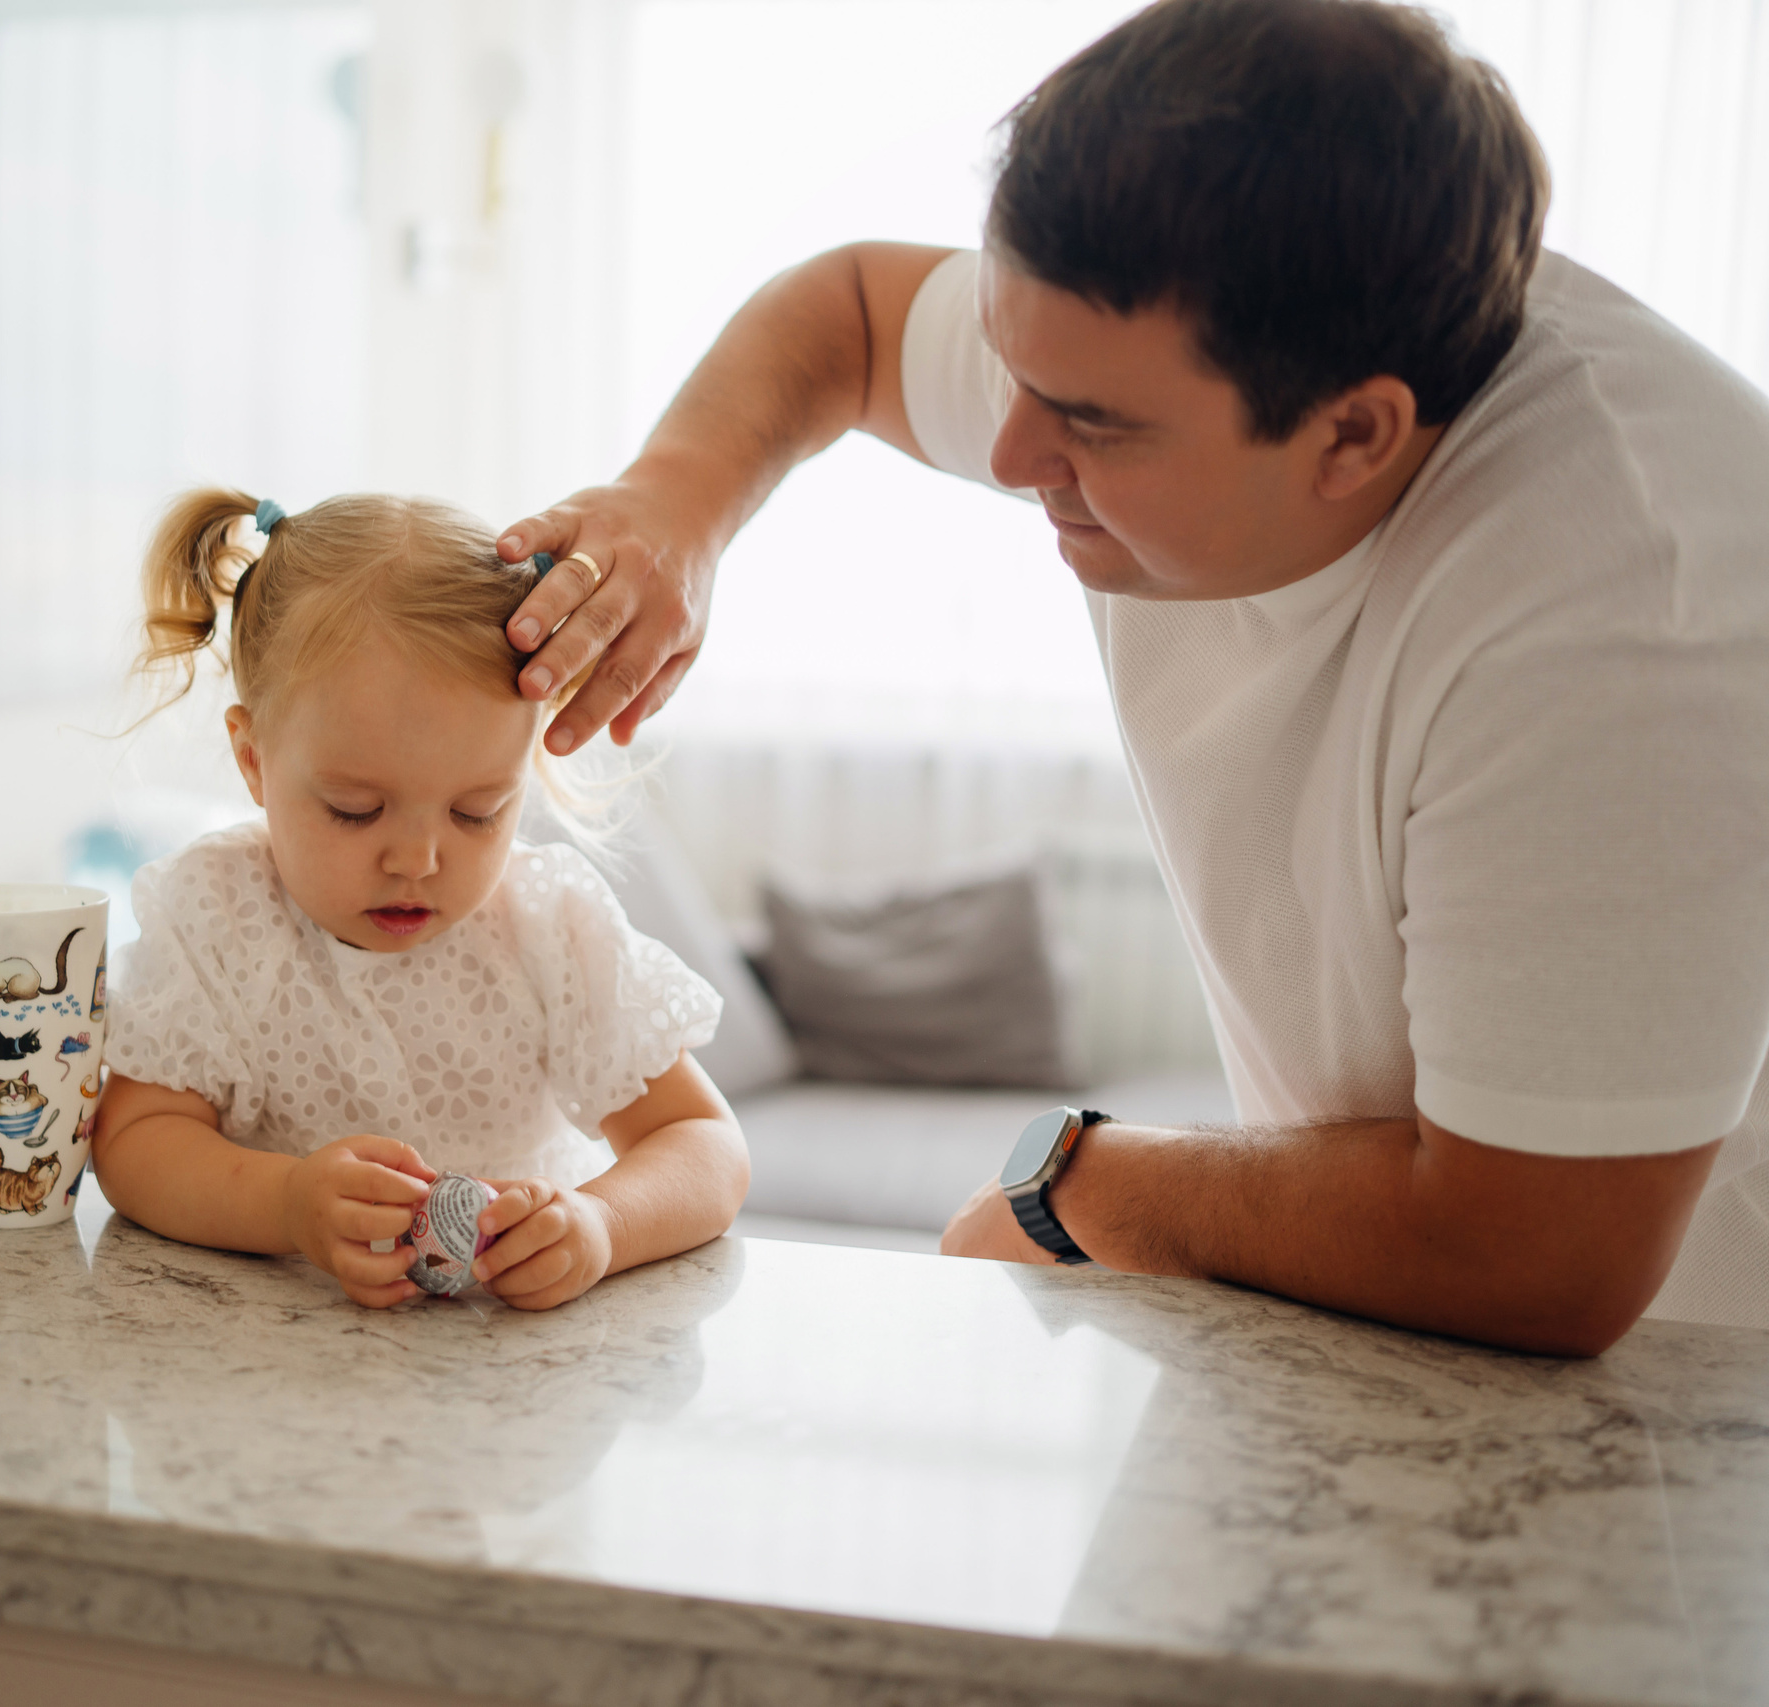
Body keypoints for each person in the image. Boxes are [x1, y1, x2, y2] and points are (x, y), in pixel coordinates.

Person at [488, 0, 1769, 1351]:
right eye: (1013, 367)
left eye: (1091, 424)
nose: (1006, 448)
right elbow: (856, 318)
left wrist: (1081, 1185)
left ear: (1355, 435)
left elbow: (1532, 1256)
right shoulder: (1185, 326)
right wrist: (673, 502)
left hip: (1682, 1412)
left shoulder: (1623, 622)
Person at [89, 489, 750, 1310]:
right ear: (253, 757)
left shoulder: (549, 928)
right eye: (354, 810)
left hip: (506, 1393)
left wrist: (603, 1224)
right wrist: (286, 1205)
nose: (418, 859)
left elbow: (707, 1145)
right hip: (269, 1381)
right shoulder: (218, 915)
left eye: (478, 812)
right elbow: (133, 1142)